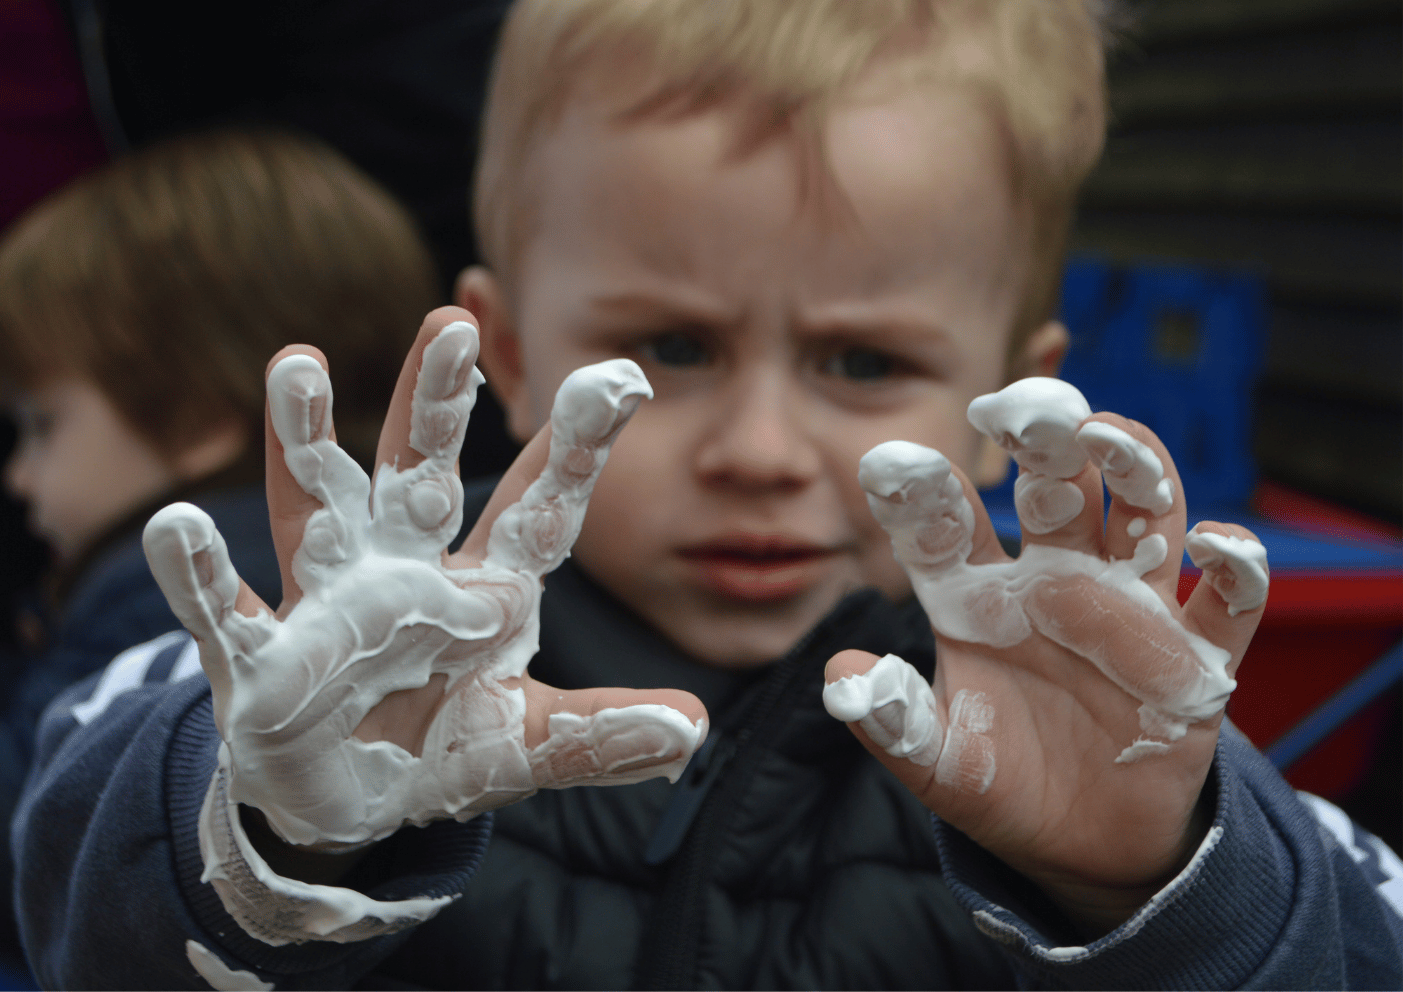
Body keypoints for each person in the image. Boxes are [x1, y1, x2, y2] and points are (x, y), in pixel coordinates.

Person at [15, 2, 1403, 989]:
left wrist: (1153, 885)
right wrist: (257, 816)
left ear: (1006, 394)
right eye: (668, 351)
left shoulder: (1093, 735)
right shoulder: (355, 637)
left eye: (861, 362)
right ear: (502, 354)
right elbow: (63, 878)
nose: (755, 445)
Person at [0, 128, 439, 979]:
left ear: (198, 414)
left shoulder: (166, 594)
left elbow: (34, 827)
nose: (19, 476)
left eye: (43, 424)